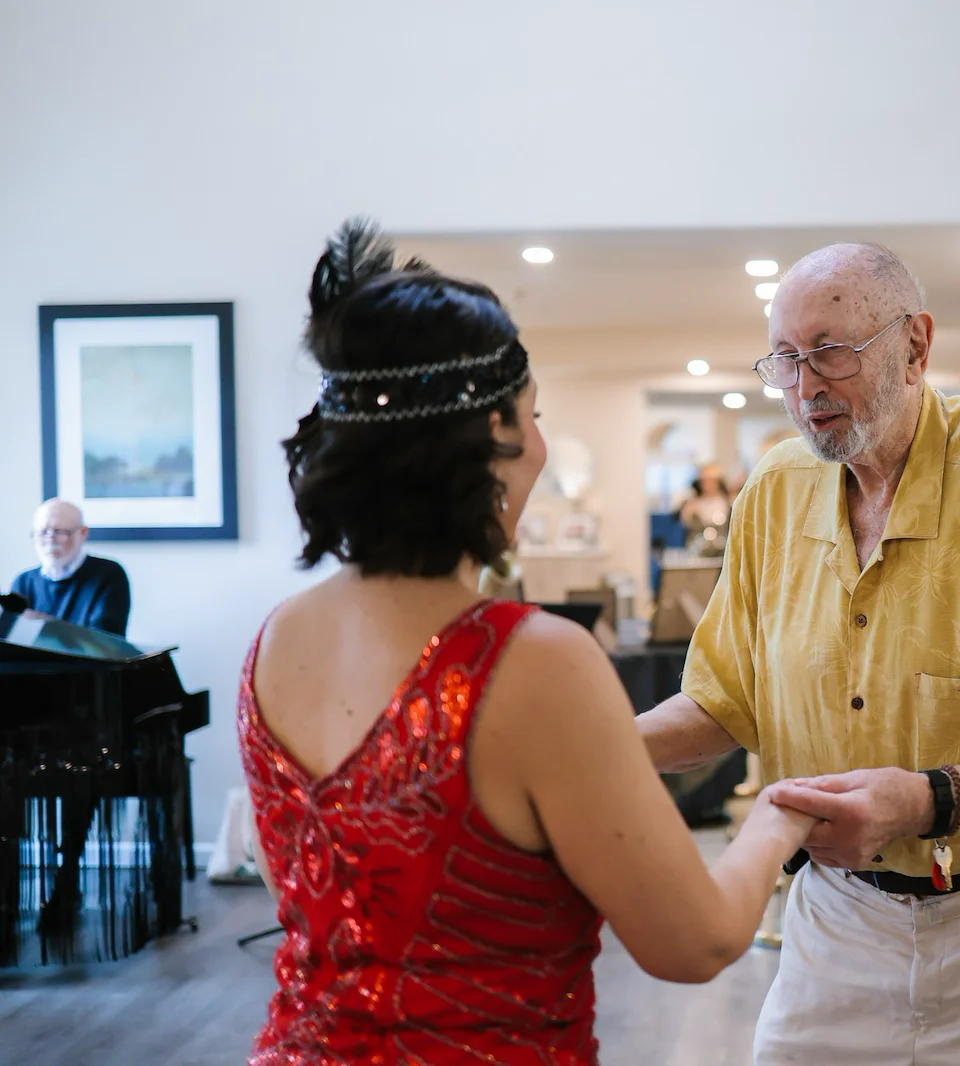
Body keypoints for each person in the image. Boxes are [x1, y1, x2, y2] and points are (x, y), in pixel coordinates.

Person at [238, 220, 816, 1065]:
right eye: (534, 415)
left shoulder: (275, 641)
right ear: (496, 435)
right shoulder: (530, 660)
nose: (541, 444)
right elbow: (693, 943)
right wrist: (777, 812)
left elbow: (300, 886)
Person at [636, 243, 960, 1065]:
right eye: (785, 359)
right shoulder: (774, 489)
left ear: (915, 346)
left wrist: (926, 801)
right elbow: (723, 702)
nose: (805, 386)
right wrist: (594, 754)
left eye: (831, 351)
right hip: (837, 923)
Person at [10, 498, 131, 636]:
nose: (50, 541)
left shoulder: (109, 575)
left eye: (59, 532)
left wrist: (43, 625)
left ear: (83, 533)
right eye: (43, 532)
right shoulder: (24, 581)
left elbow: (104, 641)